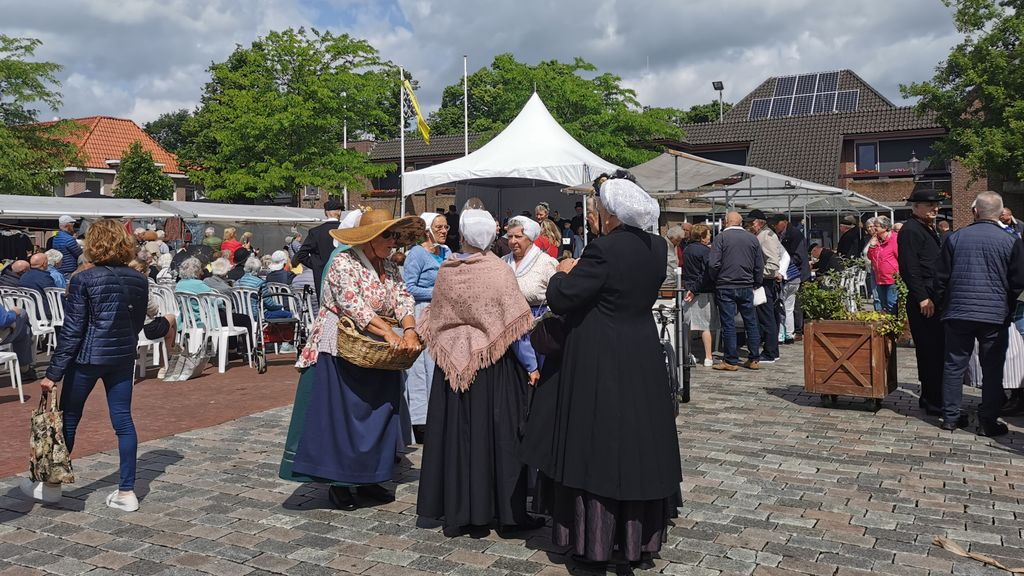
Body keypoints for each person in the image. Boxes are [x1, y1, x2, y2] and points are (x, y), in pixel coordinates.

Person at [519, 177, 680, 567]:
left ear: (610, 214)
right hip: (640, 348)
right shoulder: (657, 247)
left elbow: (561, 297)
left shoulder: (603, 250)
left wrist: (562, 270)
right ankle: (637, 535)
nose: (595, 215)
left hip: (600, 354)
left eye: (598, 210)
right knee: (637, 438)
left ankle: (595, 538)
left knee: (598, 441)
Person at [280, 209, 422, 510]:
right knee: (343, 415)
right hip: (341, 346)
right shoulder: (343, 262)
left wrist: (409, 329)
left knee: (378, 410)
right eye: (388, 235)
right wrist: (391, 335)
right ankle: (340, 483)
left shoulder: (388, 266)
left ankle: (369, 477)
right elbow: (353, 305)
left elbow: (402, 297)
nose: (393, 241)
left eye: (395, 235)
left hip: (377, 348)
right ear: (369, 238)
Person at [416, 209, 542, 536]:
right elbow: (516, 329)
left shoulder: (447, 269)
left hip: (452, 370)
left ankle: (459, 511)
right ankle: (506, 513)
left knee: (458, 440)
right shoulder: (498, 271)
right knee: (500, 440)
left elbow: (437, 318)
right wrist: (531, 366)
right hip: (493, 367)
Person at [24, 220, 148, 510]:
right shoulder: (139, 278)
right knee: (123, 422)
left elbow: (73, 330)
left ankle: (52, 485)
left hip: (88, 357)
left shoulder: (83, 279)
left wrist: (53, 373)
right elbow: (137, 321)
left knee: (69, 418)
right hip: (121, 356)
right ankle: (127, 491)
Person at [935, 191, 1024, 436]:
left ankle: (950, 417)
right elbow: (1018, 281)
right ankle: (988, 421)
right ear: (1000, 213)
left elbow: (940, 278)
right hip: (994, 315)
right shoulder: (1011, 241)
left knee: (954, 365)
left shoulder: (956, 237)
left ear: (975, 211)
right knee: (992, 368)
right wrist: (1007, 305)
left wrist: (945, 305)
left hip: (958, 312)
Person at [402, 212, 452, 444]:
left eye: (446, 227)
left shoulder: (446, 252)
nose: (444, 231)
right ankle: (421, 420)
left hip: (444, 314)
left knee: (441, 364)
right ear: (428, 230)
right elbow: (409, 287)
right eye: (439, 227)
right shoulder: (417, 254)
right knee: (424, 366)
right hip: (423, 312)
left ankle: (440, 414)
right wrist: (436, 293)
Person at [502, 216, 556, 383]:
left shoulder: (546, 263)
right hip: (509, 328)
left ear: (530, 238)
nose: (512, 241)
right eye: (510, 237)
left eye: (518, 237)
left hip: (539, 327)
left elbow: (558, 296)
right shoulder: (503, 262)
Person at [709, 211, 763, 371]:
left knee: (728, 323)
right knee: (751, 322)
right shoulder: (752, 238)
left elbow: (713, 264)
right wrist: (757, 282)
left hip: (725, 285)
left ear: (726, 222)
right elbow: (759, 264)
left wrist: (716, 278)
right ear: (740, 223)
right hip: (746, 285)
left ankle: (731, 361)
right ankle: (754, 358)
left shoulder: (721, 238)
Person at [128, 259, 176, 379]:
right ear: (143, 271)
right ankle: (164, 363)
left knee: (169, 330)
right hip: (145, 328)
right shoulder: (143, 285)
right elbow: (152, 309)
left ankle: (167, 358)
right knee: (172, 319)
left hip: (129, 328)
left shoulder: (123, 284)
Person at [749, 210, 785, 364]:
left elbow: (772, 263)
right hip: (763, 280)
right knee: (765, 316)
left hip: (764, 282)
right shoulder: (762, 235)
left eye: (752, 222)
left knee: (767, 317)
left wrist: (758, 274)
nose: (749, 225)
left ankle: (770, 352)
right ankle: (770, 350)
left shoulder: (767, 236)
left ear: (759, 222)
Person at [293, 199, 345, 297]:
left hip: (322, 276)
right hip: (344, 276)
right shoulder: (347, 230)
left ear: (326, 213)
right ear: (339, 212)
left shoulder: (316, 232)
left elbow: (301, 255)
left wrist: (317, 265)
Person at [682, 223, 717, 367]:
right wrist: (695, 289)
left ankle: (687, 353)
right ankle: (708, 357)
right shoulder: (706, 251)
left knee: (688, 325)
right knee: (705, 326)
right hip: (702, 291)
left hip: (688, 289)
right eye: (708, 234)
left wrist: (691, 289)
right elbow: (706, 274)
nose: (710, 237)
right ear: (702, 236)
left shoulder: (686, 249)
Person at [772, 213, 810, 343]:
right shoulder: (781, 234)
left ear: (784, 222)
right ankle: (789, 333)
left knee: (789, 305)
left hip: (793, 274)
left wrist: (782, 263)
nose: (775, 227)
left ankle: (790, 333)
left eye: (777, 224)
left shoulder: (795, 235)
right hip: (793, 274)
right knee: (789, 306)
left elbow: (798, 256)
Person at [866, 215, 900, 314]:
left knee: (891, 303)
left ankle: (894, 325)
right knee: (883, 304)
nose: (874, 228)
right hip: (879, 278)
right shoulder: (876, 239)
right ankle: (886, 327)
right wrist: (872, 246)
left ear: (885, 228)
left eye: (876, 226)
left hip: (892, 278)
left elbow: (900, 257)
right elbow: (870, 257)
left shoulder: (894, 239)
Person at [0, 301, 37, 382]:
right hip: (2, 335)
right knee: (22, 314)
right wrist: (13, 312)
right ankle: (25, 369)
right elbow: (3, 320)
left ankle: (26, 369)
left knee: (23, 329)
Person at [19, 253, 56, 319]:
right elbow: (54, 296)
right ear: (44, 264)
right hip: (44, 313)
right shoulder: (44, 277)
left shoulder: (24, 276)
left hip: (28, 309)